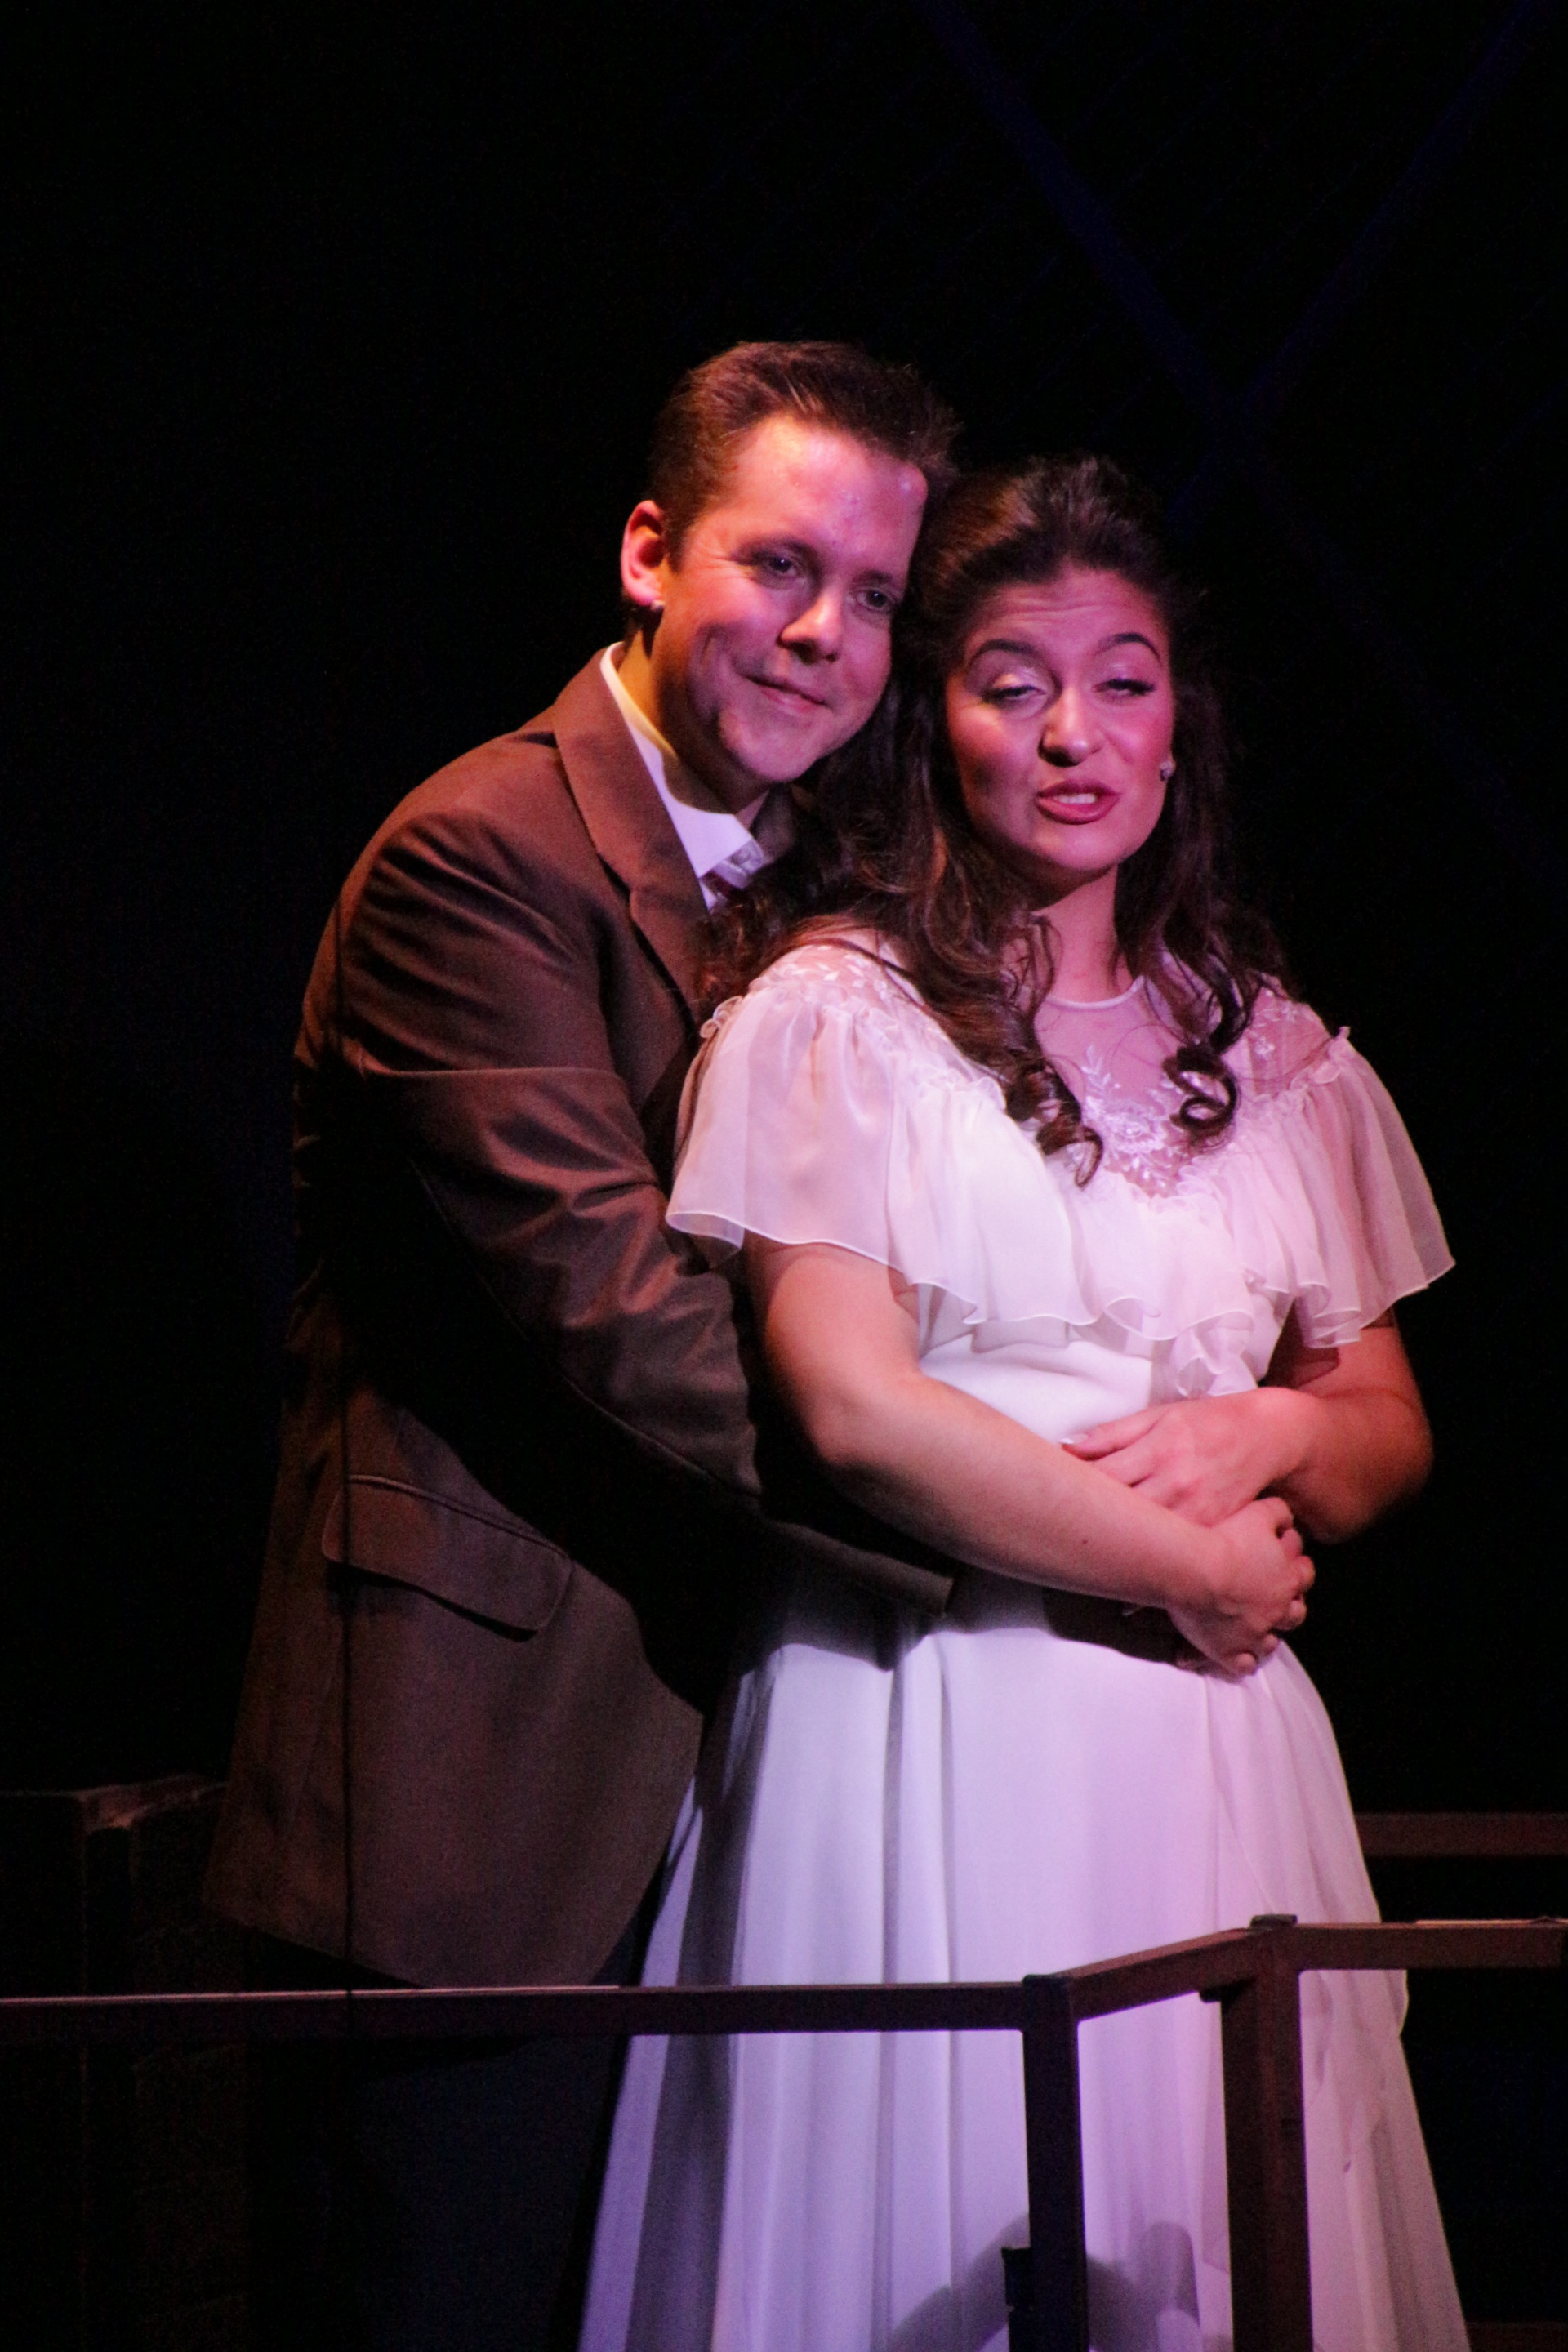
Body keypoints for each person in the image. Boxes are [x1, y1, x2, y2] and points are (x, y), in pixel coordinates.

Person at [580, 457, 1466, 2350]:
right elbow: (850, 1409)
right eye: (1012, 684)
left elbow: (1386, 1418)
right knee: (938, 2225)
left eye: (1122, 682)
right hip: (933, 1711)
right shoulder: (839, 1013)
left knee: (1219, 2246)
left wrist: (1275, 1433)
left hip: (1211, 1762)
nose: (1075, 734)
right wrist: (1187, 1566)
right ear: (937, 724)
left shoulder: (1274, 1048)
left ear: (1178, 723)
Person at [203, 341, 960, 2351]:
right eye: (778, 565)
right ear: (648, 552)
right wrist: (998, 1513)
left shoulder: (851, 885)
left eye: (875, 594)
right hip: (476, 1809)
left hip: (750, 1773)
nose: (825, 633)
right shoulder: (475, 859)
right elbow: (619, 1319)